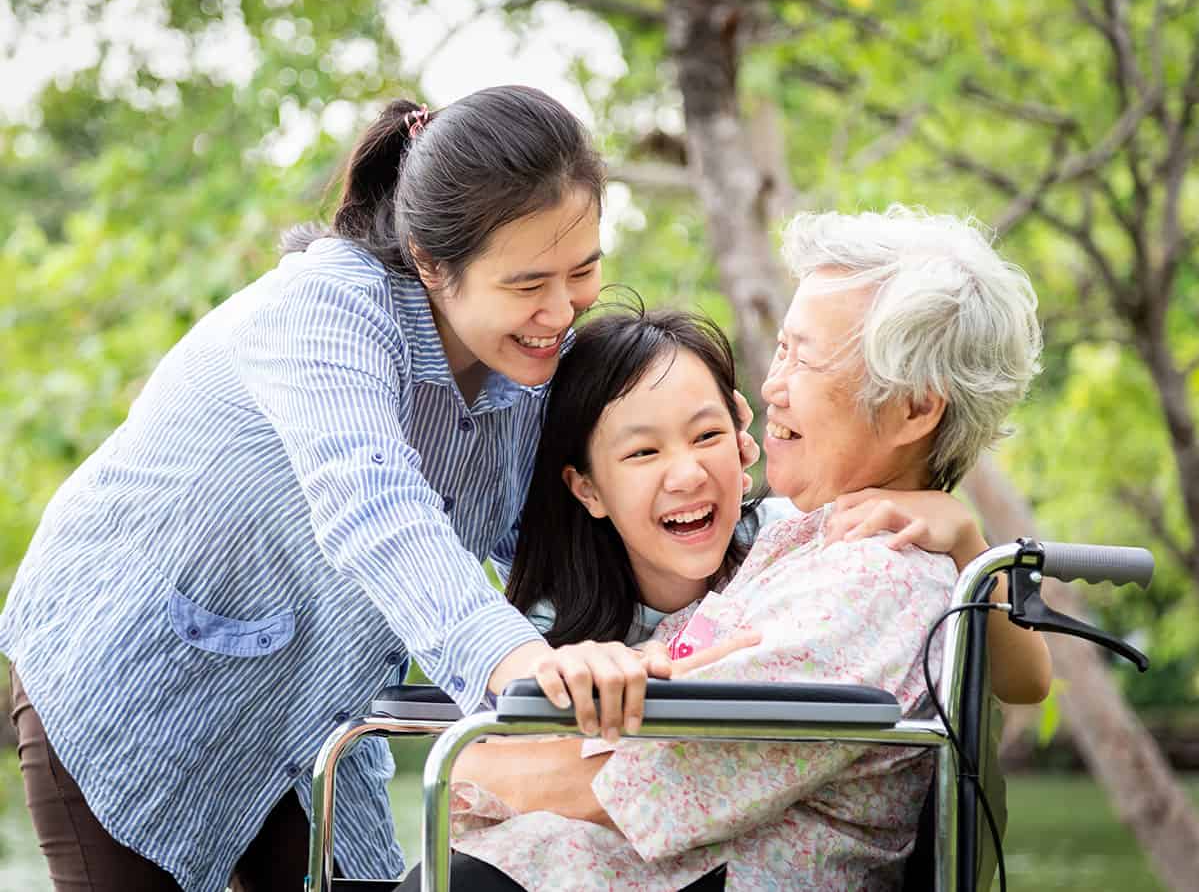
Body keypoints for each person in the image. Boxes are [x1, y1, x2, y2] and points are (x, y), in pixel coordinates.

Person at [0, 86, 706, 892]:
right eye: (525, 284)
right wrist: (516, 664)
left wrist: (764, 509)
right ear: (432, 263)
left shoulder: (537, 368)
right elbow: (373, 507)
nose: (560, 309)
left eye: (583, 269)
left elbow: (586, 525)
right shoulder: (325, 305)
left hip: (309, 710)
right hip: (132, 678)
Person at [408, 205, 1046, 890]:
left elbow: (637, 781)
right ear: (586, 486)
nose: (770, 387)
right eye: (781, 349)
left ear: (915, 409)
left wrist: (471, 763)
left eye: (805, 357)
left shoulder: (873, 580)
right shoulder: (805, 540)